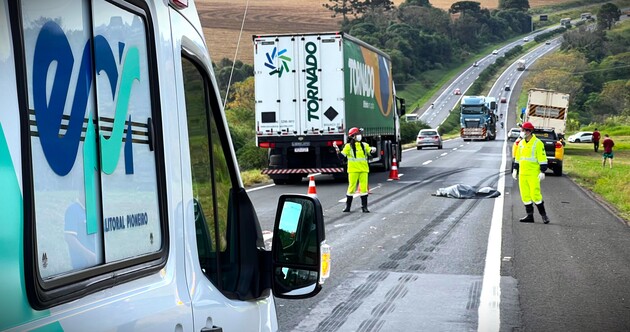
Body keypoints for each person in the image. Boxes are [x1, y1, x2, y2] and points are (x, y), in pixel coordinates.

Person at [512, 122, 550, 224]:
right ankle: (529, 216)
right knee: (525, 195)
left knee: (535, 195)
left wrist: (542, 171)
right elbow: (518, 158)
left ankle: (544, 216)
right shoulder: (521, 143)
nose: (522, 132)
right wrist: (515, 169)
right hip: (523, 173)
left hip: (533, 173)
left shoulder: (538, 143)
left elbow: (542, 158)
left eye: (523, 130)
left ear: (529, 131)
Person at [334, 127, 375, 213]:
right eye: (357, 134)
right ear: (353, 136)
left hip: (364, 170)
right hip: (353, 170)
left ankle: (364, 207)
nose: (360, 136)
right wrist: (337, 149)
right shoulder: (348, 147)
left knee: (364, 189)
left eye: (359, 134)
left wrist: (372, 150)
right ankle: (347, 207)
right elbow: (341, 157)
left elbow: (370, 152)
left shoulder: (364, 145)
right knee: (351, 188)